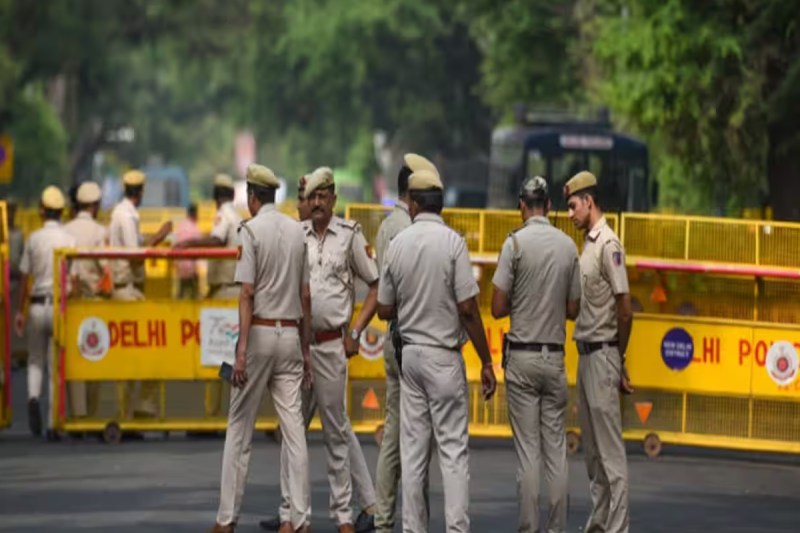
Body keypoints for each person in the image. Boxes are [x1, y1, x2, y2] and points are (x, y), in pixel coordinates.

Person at [377, 167, 497, 533]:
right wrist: (487, 361)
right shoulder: (453, 243)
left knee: (413, 454)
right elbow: (468, 309)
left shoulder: (398, 244)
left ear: (412, 203)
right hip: (445, 357)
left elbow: (383, 309)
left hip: (410, 357)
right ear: (441, 204)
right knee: (453, 454)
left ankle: (414, 529)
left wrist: (410, 303)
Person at [209, 164, 312, 533]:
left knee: (239, 428)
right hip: (290, 335)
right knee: (294, 432)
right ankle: (300, 519)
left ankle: (226, 519)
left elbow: (247, 293)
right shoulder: (297, 231)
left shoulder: (250, 231)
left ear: (253, 197)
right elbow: (305, 295)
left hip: (261, 336)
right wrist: (305, 350)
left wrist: (240, 352)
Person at [491, 176, 581, 533]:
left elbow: (498, 307)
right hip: (554, 358)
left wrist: (522, 298)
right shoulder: (568, 247)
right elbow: (573, 309)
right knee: (556, 450)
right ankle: (557, 528)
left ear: (521, 206)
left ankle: (529, 528)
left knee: (529, 452)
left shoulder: (514, 245)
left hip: (523, 359)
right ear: (548, 206)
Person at [304, 167, 379, 533]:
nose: (317, 201)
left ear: (334, 199)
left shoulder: (349, 236)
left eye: (324, 195)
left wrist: (355, 331)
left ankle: (345, 517)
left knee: (335, 432)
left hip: (333, 345)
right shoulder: (295, 235)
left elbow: (376, 285)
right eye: (311, 196)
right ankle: (292, 512)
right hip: (300, 349)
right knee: (293, 431)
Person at [564, 171, 634, 533]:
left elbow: (625, 308)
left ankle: (617, 527)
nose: (570, 213)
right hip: (587, 354)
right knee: (592, 453)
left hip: (604, 353)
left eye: (573, 206)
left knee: (610, 453)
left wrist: (619, 358)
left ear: (589, 202)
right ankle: (600, 521)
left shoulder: (608, 244)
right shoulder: (588, 245)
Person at [373, 154, 433, 533]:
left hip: (393, 337)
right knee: (416, 439)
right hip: (413, 339)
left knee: (395, 432)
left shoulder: (384, 226)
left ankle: (383, 519)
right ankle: (413, 521)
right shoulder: (409, 227)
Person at [174, 173, 242, 420]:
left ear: (215, 197)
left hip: (223, 291)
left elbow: (216, 239)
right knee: (231, 353)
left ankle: (212, 411)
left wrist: (188, 244)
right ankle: (228, 408)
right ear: (232, 195)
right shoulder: (237, 216)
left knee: (218, 355)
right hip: (234, 289)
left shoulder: (223, 215)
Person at [109, 169, 172, 419]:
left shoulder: (124, 214)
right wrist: (159, 236)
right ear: (141, 192)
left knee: (131, 355)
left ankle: (131, 409)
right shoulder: (125, 215)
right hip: (127, 292)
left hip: (129, 291)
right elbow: (135, 254)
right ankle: (138, 407)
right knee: (148, 351)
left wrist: (154, 235)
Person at [14, 186, 76, 437]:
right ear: (62, 212)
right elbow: (73, 278)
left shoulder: (33, 239)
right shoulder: (69, 240)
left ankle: (31, 397)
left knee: (35, 360)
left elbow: (24, 279)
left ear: (42, 210)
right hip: (60, 307)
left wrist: (20, 311)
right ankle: (53, 424)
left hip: (37, 304)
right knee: (55, 366)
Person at [63, 181, 108, 420]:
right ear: (94, 205)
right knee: (95, 355)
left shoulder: (65, 229)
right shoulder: (99, 232)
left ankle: (77, 414)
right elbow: (106, 269)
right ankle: (91, 415)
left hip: (69, 302)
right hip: (94, 301)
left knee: (74, 359)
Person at [174, 203, 202, 299]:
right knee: (194, 295)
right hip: (191, 269)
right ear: (195, 214)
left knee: (181, 293)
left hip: (181, 267)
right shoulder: (195, 228)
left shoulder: (181, 226)